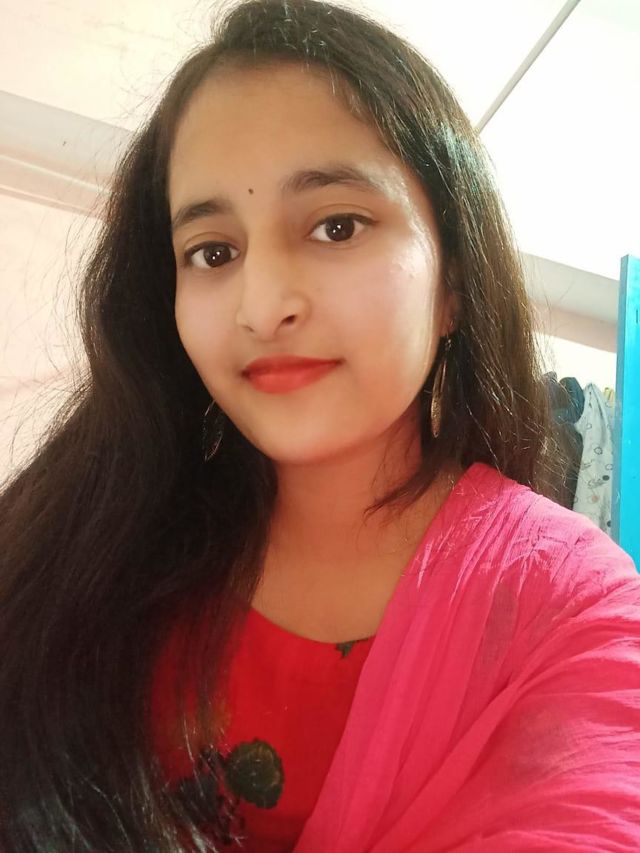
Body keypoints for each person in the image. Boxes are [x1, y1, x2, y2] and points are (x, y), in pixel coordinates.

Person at [1, 0, 638, 850]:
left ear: (453, 282)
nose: (263, 307)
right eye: (213, 251)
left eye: (337, 226)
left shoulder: (571, 609)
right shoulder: (86, 532)